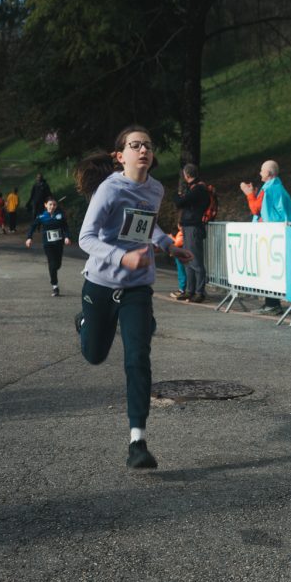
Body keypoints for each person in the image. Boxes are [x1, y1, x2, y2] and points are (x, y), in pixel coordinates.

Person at [75, 125, 193, 470]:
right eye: (135, 145)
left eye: (148, 146)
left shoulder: (155, 189)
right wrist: (122, 257)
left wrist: (168, 245)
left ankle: (137, 442)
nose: (143, 150)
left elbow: (145, 224)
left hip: (138, 286)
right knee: (95, 355)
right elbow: (86, 237)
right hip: (100, 282)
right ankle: (85, 322)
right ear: (120, 156)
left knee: (137, 357)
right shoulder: (109, 190)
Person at [241, 159, 291, 314]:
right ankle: (272, 303)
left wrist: (249, 194)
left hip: (273, 235)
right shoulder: (277, 187)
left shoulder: (269, 188)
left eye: (262, 170)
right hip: (280, 233)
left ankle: (272, 304)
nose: (260, 173)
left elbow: (255, 209)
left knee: (270, 268)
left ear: (268, 173)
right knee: (274, 268)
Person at [172, 164, 210, 303]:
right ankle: (190, 290)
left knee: (196, 260)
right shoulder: (195, 188)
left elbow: (180, 203)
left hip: (194, 227)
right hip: (189, 226)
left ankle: (199, 292)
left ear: (186, 175)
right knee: (188, 259)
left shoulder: (198, 189)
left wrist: (176, 195)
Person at [25, 197, 71, 296]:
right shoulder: (41, 216)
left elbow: (65, 227)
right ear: (45, 205)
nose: (52, 206)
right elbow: (32, 227)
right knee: (52, 264)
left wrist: (67, 237)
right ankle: (55, 286)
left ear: (56, 206)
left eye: (54, 205)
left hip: (59, 243)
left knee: (58, 265)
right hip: (48, 244)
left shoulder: (60, 216)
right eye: (50, 204)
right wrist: (29, 238)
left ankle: (53, 271)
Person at [168, 226, 188, 299]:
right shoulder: (185, 233)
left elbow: (177, 243)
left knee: (181, 272)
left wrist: (171, 238)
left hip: (180, 254)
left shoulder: (181, 233)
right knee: (183, 271)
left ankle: (182, 290)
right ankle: (183, 289)